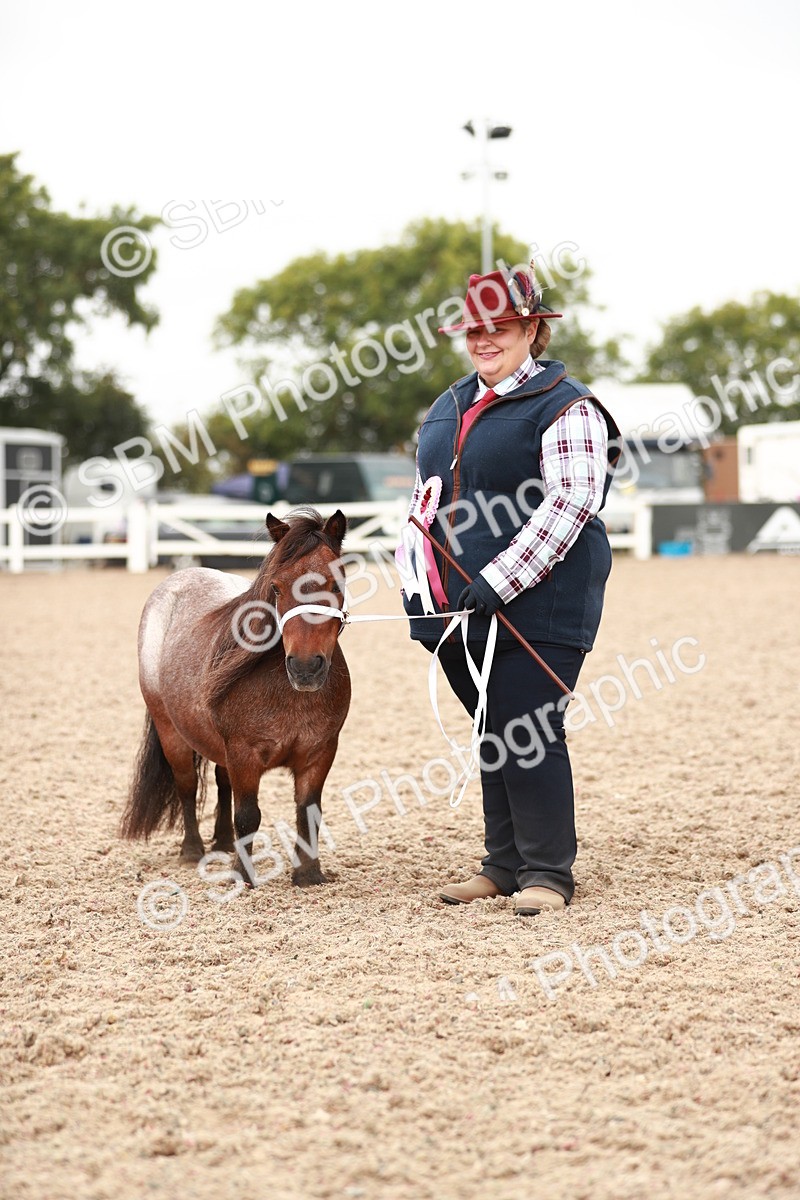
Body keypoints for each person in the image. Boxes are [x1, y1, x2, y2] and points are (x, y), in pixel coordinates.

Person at [402, 264, 621, 916]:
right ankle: (501, 864)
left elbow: (572, 499)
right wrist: (418, 584)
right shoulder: (446, 408)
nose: (484, 340)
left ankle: (549, 874)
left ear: (532, 328)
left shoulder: (566, 406)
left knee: (529, 728)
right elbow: (425, 504)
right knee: (492, 733)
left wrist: (501, 579)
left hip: (545, 601)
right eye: (474, 330)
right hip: (461, 610)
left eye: (499, 328)